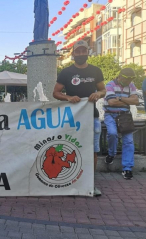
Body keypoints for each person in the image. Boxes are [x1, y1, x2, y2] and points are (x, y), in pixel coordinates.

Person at [53, 40, 106, 196]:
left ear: (87, 52)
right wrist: (68, 97)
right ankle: (69, 180)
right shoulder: (66, 72)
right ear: (73, 53)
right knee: (71, 148)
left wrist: (98, 94)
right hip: (73, 118)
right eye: (78, 51)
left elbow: (103, 90)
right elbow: (55, 93)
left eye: (84, 51)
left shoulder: (96, 71)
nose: (81, 54)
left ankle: (90, 183)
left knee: (93, 151)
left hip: (92, 116)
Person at [103, 68, 139, 180]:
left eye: (131, 80)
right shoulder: (110, 85)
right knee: (112, 133)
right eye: (128, 79)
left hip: (125, 116)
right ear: (120, 77)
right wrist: (127, 99)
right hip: (110, 114)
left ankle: (127, 168)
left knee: (128, 141)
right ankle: (111, 153)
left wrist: (119, 98)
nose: (129, 82)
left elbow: (136, 101)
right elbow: (111, 102)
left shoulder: (131, 86)